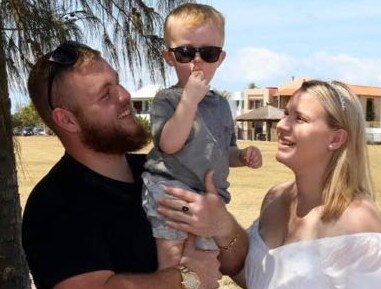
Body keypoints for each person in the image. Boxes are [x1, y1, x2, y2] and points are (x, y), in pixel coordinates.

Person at [21, 40, 247, 289]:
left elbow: (236, 263)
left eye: (117, 82)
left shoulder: (163, 169)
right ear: (67, 119)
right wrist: (186, 278)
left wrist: (222, 225)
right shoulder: (55, 204)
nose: (125, 95)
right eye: (105, 94)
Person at [159, 80, 381, 288]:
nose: (282, 125)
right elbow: (254, 276)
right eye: (286, 113)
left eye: (300, 119)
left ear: (336, 138)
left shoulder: (360, 223)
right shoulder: (275, 198)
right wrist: (220, 226)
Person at [141, 3, 262, 270]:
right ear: (169, 57)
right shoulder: (167, 99)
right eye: (185, 53)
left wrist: (241, 156)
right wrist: (189, 101)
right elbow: (169, 144)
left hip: (210, 198)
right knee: (175, 262)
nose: (197, 61)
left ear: (220, 58)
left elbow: (224, 151)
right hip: (171, 191)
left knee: (206, 262)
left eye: (208, 53)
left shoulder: (220, 105)